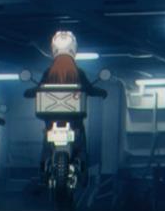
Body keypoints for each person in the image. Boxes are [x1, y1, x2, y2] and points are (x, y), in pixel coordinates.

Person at [24, 31, 107, 180]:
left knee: (47, 143)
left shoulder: (49, 72)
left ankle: (43, 169)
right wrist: (102, 92)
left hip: (51, 120)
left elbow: (38, 88)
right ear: (73, 50)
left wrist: (29, 92)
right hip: (74, 120)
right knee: (81, 145)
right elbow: (89, 89)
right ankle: (82, 169)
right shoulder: (78, 72)